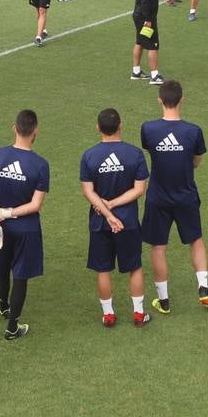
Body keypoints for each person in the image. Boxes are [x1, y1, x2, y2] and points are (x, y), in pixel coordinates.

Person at [140, 80, 208, 312]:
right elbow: (197, 162)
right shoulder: (193, 131)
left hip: (158, 197)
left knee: (159, 247)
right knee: (196, 240)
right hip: (186, 196)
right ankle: (203, 288)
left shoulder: (148, 129)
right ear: (182, 99)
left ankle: (163, 300)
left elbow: (151, 151)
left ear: (160, 100)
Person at [0, 110, 49, 341]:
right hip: (25, 229)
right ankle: (12, 327)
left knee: (2, 265)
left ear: (14, 128)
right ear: (35, 131)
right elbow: (35, 205)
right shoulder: (40, 165)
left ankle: (4, 306)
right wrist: (9, 214)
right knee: (20, 275)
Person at [80, 108, 151, 326]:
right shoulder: (135, 154)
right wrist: (114, 205)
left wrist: (105, 208)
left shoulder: (89, 156)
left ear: (98, 128)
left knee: (103, 268)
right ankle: (138, 313)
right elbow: (139, 189)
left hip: (100, 221)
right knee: (134, 267)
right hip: (127, 221)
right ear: (120, 125)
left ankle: (108, 314)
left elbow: (88, 192)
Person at [131, 0, 167, 85]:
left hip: (139, 16)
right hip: (145, 18)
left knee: (139, 42)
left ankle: (136, 72)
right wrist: (148, 20)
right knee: (153, 46)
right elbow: (145, 1)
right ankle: (154, 76)